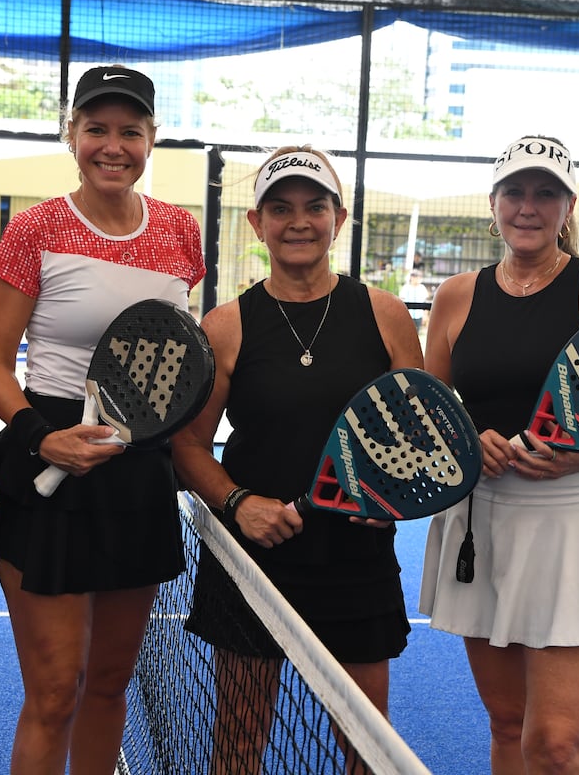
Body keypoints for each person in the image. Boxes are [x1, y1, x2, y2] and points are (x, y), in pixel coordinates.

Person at [0, 65, 205, 775]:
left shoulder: (181, 232)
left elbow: (178, 352)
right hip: (47, 454)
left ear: (151, 139)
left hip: (137, 469)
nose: (113, 145)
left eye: (129, 131)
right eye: (97, 129)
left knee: (109, 685)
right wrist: (44, 439)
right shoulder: (34, 229)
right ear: (72, 134)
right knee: (53, 692)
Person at [171, 145, 424, 772]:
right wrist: (239, 504)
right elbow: (188, 447)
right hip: (255, 560)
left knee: (365, 744)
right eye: (280, 208)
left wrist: (390, 493)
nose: (299, 221)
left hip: (355, 558)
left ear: (339, 219)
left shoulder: (385, 315)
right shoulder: (227, 326)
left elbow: (416, 435)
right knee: (239, 741)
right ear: (257, 224)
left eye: (316, 206)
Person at [418, 135, 579, 774]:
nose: (529, 206)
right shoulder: (456, 295)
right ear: (492, 204)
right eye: (515, 192)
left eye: (545, 192)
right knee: (507, 724)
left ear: (568, 204)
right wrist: (468, 440)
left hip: (568, 522)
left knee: (554, 744)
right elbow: (429, 414)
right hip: (479, 520)